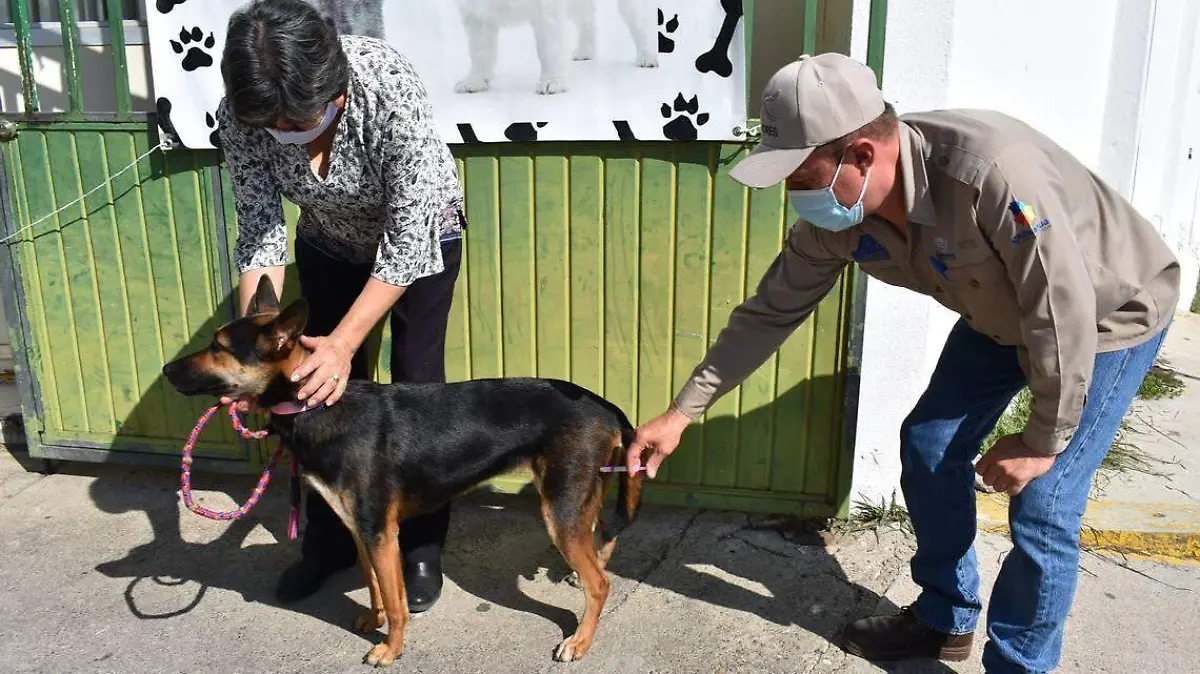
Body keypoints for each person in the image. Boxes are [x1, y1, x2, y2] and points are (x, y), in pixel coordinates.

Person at [625, 53, 1179, 673]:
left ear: (862, 154)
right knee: (929, 444)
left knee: (1046, 502)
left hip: (1106, 317)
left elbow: (1061, 310)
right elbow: (768, 313)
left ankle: (1021, 666)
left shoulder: (993, 174)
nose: (793, 194)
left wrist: (1042, 439)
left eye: (802, 176)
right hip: (999, 318)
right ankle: (945, 618)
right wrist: (681, 412)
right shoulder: (837, 218)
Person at [216, 0, 466, 612]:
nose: (282, 132)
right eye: (270, 123)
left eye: (294, 119)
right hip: (327, 241)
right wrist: (259, 356)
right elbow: (260, 230)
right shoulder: (243, 111)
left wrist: (345, 344)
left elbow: (410, 239)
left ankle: (422, 547)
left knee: (418, 389)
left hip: (422, 239)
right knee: (308, 402)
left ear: (336, 88)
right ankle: (325, 544)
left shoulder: (388, 85)